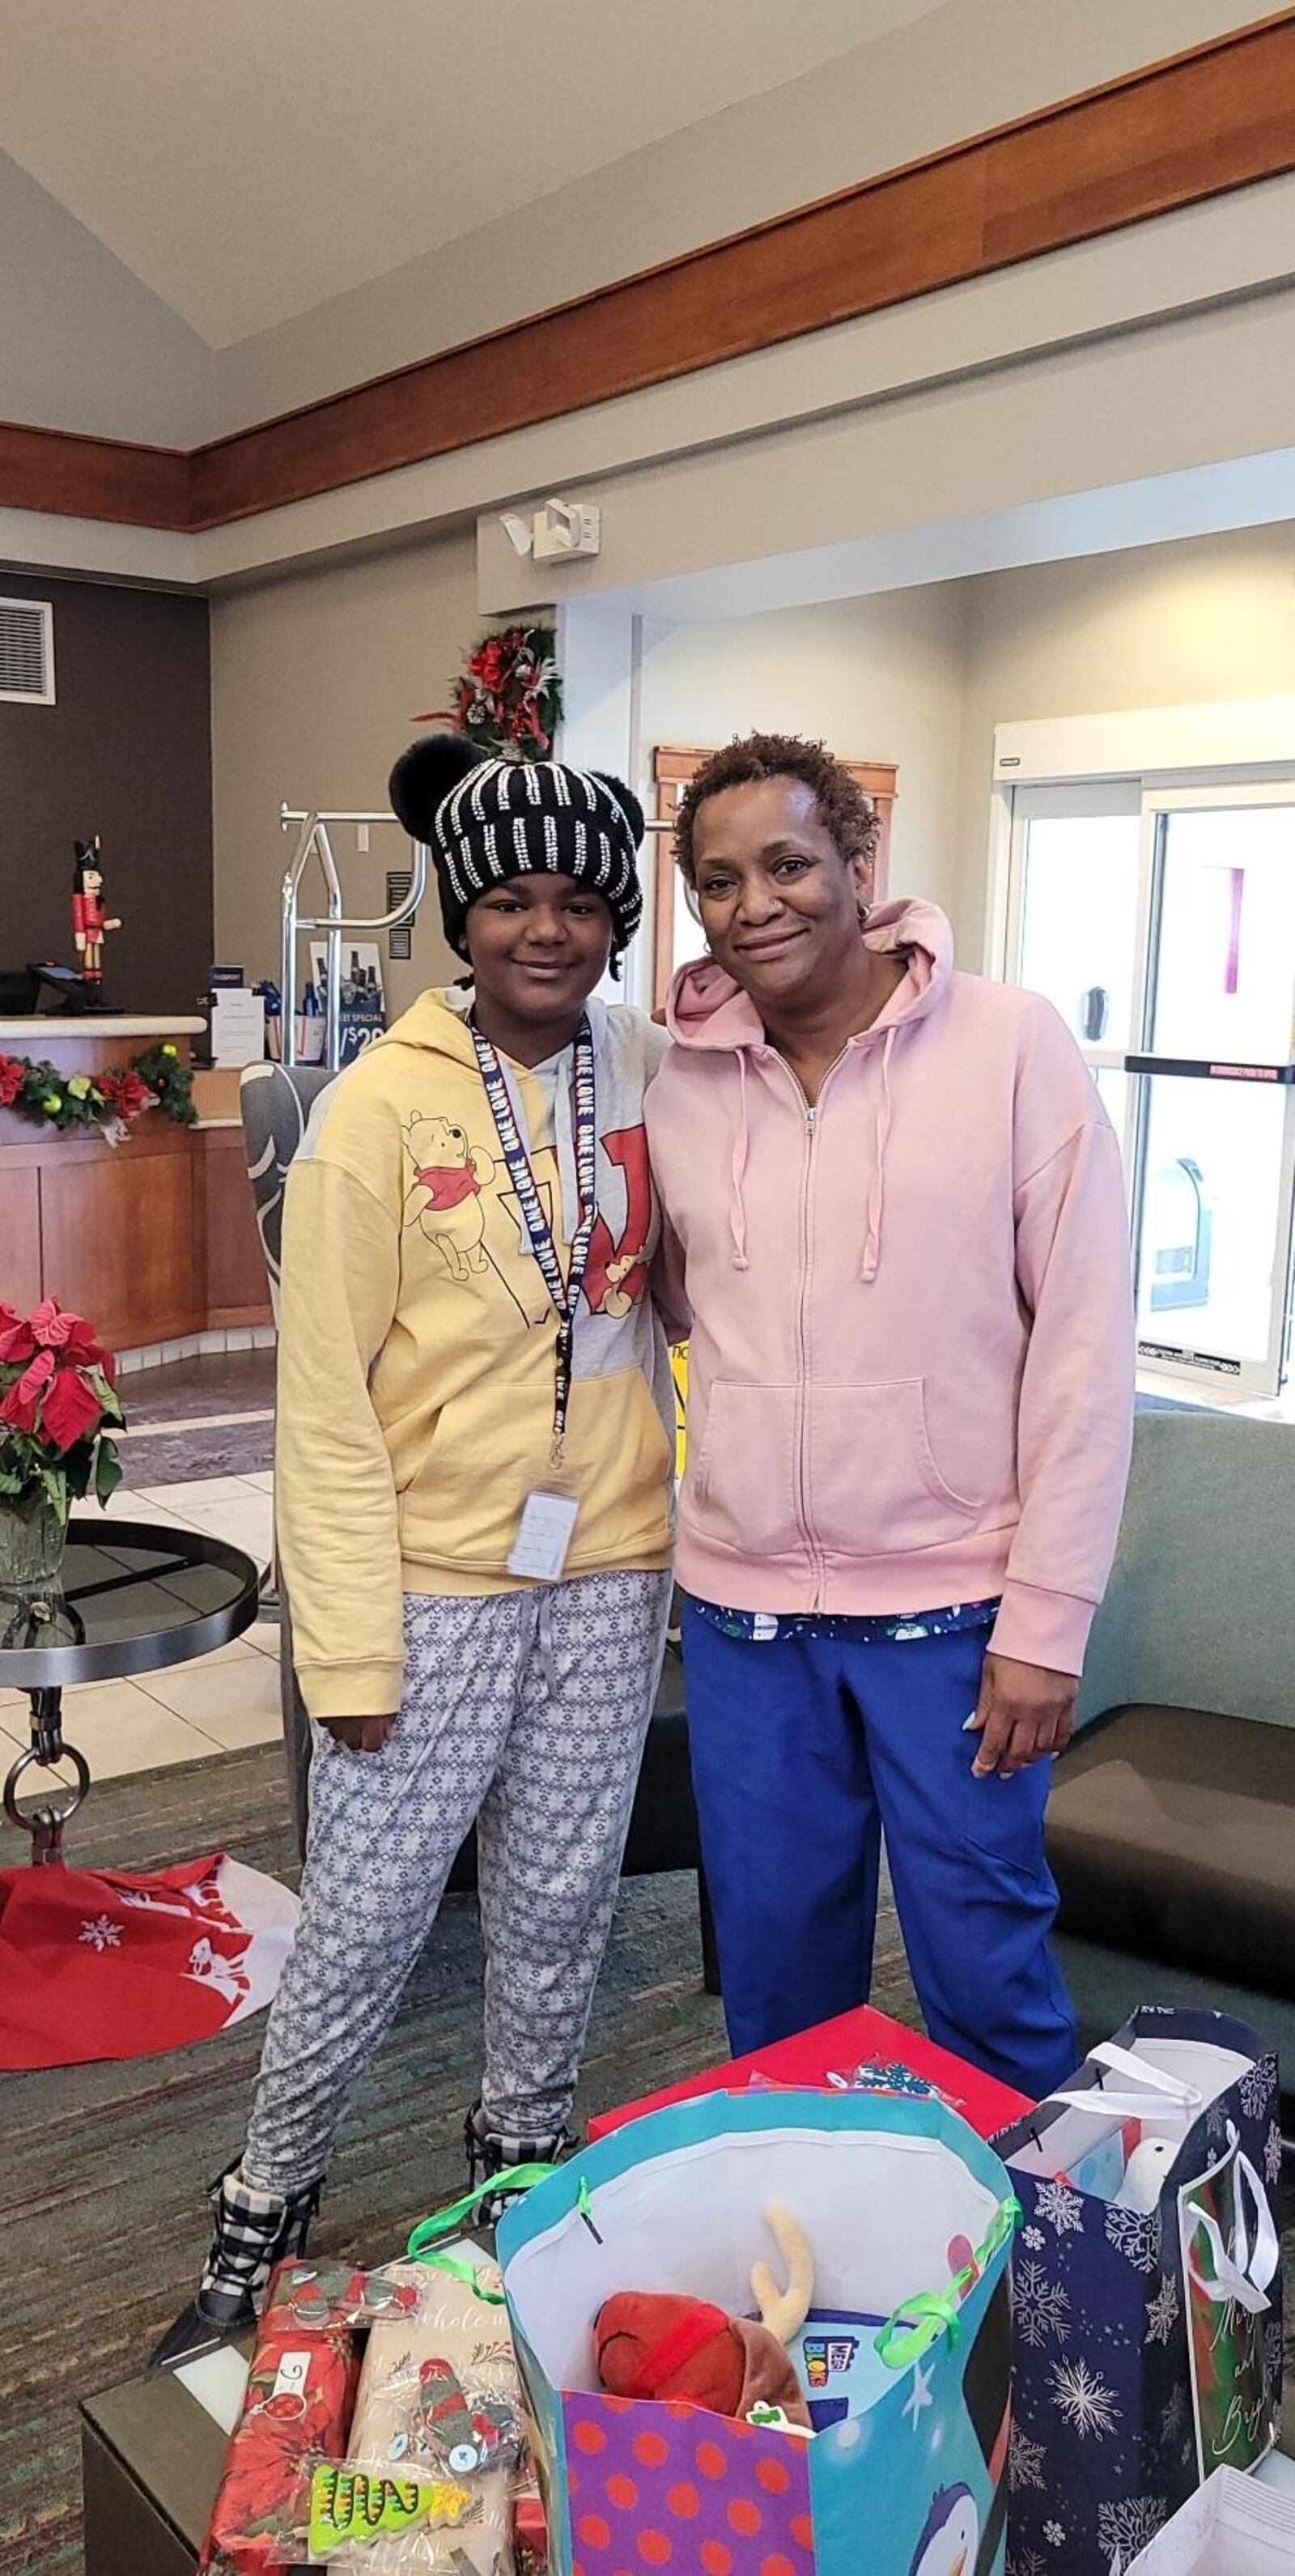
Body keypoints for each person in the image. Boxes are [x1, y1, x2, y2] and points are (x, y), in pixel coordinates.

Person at [153, 733, 676, 2369]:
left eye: (576, 901)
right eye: (506, 898)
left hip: (610, 1570)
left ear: (612, 919)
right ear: (460, 916)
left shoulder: (650, 1069)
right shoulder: (376, 1106)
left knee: (558, 1898)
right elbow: (321, 1414)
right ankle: (263, 2208)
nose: (543, 929)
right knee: (370, 1918)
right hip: (434, 1586)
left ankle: (518, 2164)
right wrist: (347, 1652)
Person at [645, 733, 1135, 2098]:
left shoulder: (1010, 1044)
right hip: (747, 1625)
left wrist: (1048, 1622)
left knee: (984, 1972)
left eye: (790, 863)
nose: (758, 904)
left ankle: (1038, 2282)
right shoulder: (677, 1084)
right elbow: (681, 1305)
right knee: (780, 1988)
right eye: (723, 879)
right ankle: (823, 2268)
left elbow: (1086, 1357)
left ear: (861, 866)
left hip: (956, 1620)